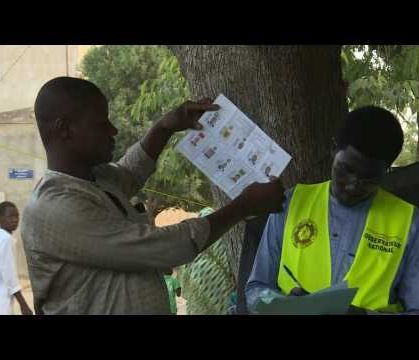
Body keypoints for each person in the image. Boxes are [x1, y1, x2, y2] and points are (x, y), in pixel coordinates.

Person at [21, 76, 285, 315]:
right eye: (102, 123)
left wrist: (164, 128)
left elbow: (129, 172)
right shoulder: (55, 207)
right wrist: (243, 206)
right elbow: (164, 247)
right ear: (64, 129)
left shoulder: (95, 180)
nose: (113, 130)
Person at [246, 106, 419, 315]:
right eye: (346, 169)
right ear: (333, 149)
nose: (353, 185)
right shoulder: (292, 202)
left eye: (369, 179)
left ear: (387, 171)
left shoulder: (413, 226)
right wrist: (282, 305)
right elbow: (255, 290)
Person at [0, 202, 33, 315]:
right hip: (0, 303)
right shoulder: (6, 240)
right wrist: (23, 305)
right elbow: (10, 275)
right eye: (10, 216)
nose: (15, 219)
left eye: (17, 216)